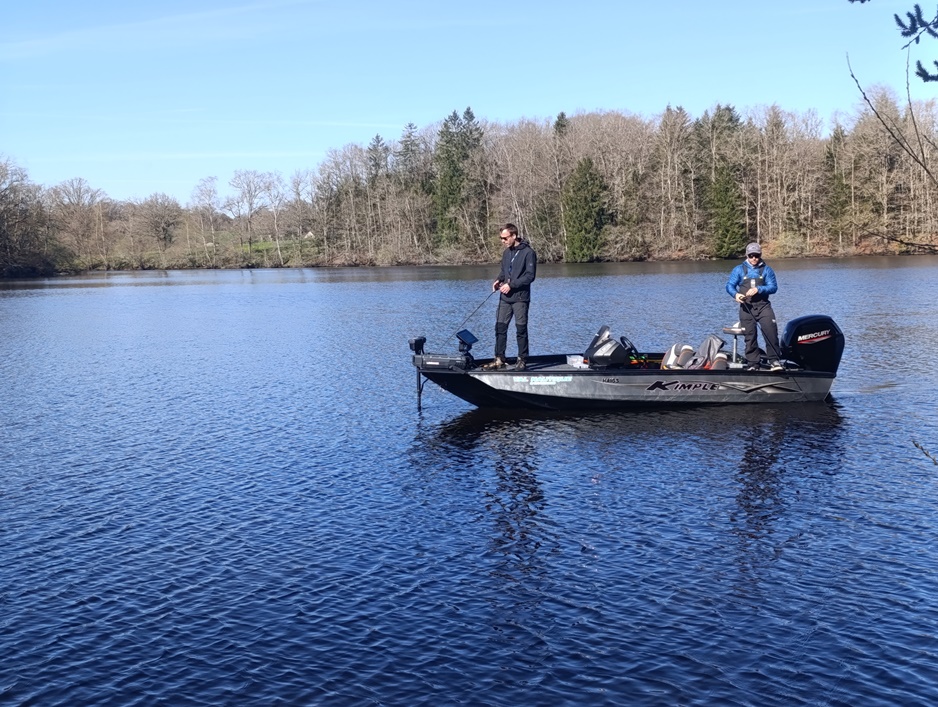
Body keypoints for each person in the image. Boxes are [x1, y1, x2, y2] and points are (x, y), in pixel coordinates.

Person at [481, 223, 537, 371]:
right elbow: (504, 271)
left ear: (514, 236)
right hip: (505, 298)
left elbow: (530, 277)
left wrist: (511, 285)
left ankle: (522, 359)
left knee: (521, 329)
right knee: (500, 327)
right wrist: (498, 280)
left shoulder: (528, 253)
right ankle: (499, 358)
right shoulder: (506, 253)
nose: (503, 241)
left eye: (505, 238)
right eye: (501, 238)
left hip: (520, 298)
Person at [725, 242, 784, 371]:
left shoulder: (767, 270)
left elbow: (773, 287)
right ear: (747, 255)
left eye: (756, 255)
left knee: (771, 332)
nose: (754, 259)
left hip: (763, 306)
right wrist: (736, 295)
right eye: (751, 256)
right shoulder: (739, 270)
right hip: (747, 307)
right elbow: (729, 285)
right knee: (750, 337)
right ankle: (753, 364)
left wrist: (759, 289)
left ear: (760, 255)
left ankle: (774, 361)